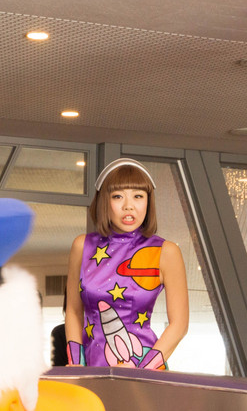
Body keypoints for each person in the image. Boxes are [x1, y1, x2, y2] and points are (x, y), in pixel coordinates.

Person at [65, 158, 189, 368]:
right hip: (92, 369)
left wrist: (141, 371)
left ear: (148, 201)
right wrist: (76, 365)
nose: (128, 206)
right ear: (104, 201)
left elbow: (179, 325)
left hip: (145, 369)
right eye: (118, 196)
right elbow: (73, 312)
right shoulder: (82, 246)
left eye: (138, 196)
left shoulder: (166, 251)